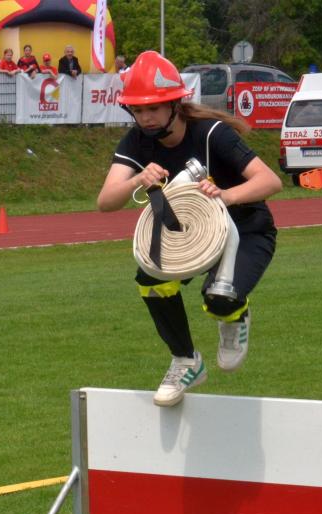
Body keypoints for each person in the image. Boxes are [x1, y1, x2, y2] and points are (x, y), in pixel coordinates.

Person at [97, 51, 282, 408]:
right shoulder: (136, 142)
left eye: (153, 108)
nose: (145, 117)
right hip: (186, 233)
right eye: (138, 110)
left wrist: (224, 195)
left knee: (220, 297)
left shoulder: (211, 133)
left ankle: (233, 315)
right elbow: (106, 201)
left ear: (175, 104)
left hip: (247, 229)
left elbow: (270, 181)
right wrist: (138, 178)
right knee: (150, 280)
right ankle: (186, 361)